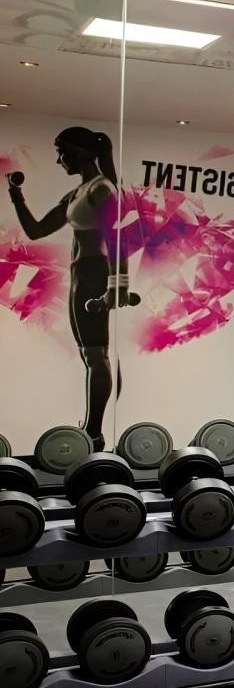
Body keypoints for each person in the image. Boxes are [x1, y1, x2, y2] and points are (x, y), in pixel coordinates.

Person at [6, 127, 132, 452]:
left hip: (95, 273)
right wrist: (15, 194)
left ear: (78, 153)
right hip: (82, 274)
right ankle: (92, 431)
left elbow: (119, 238)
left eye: (61, 153)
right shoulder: (78, 193)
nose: (58, 160)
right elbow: (36, 230)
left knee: (96, 356)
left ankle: (94, 433)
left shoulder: (101, 189)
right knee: (92, 355)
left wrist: (117, 286)